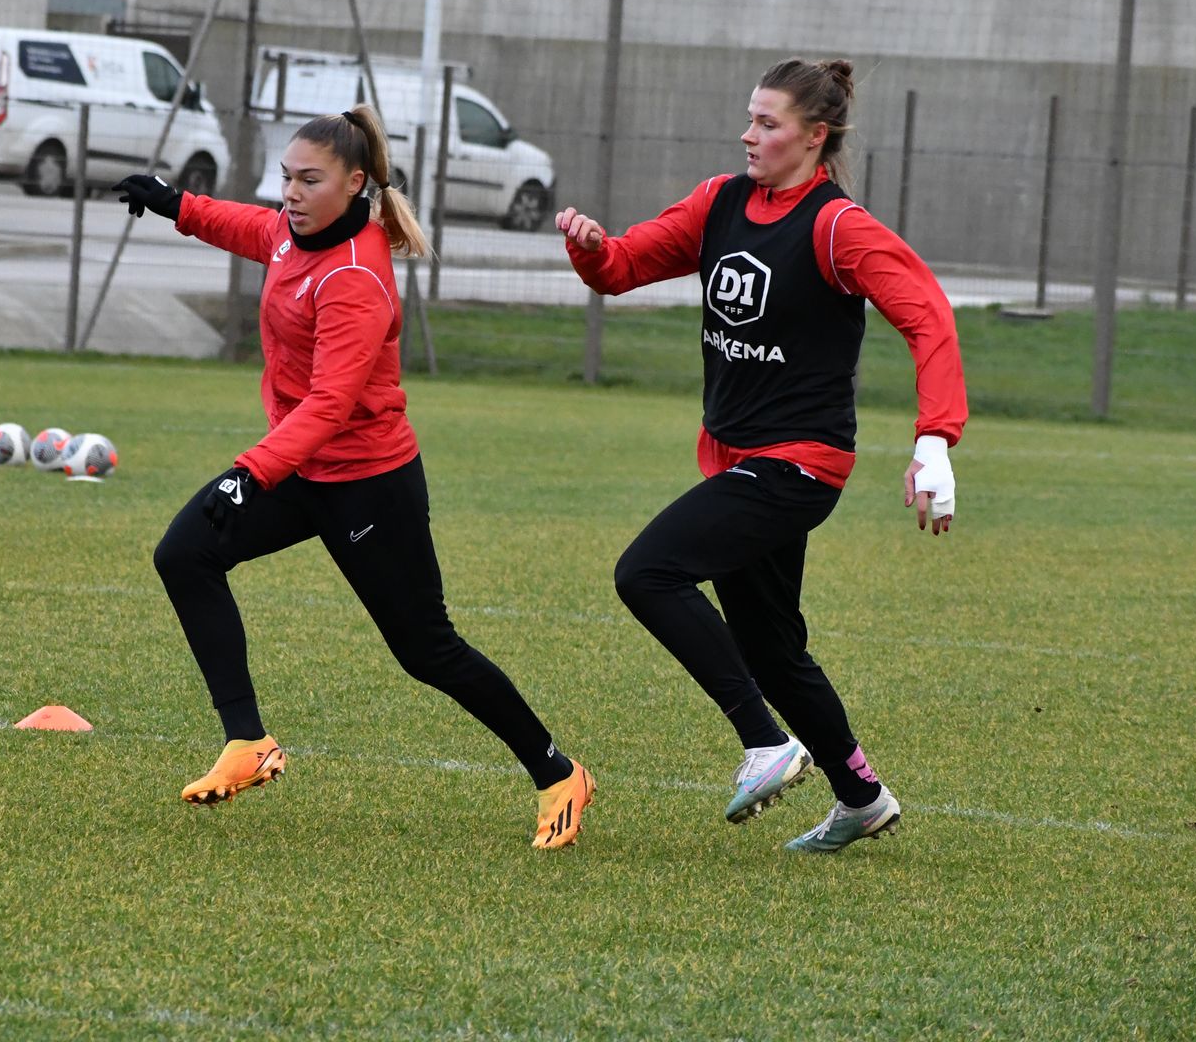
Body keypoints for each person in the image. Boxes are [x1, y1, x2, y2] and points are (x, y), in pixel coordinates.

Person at [115, 104, 595, 848]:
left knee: (427, 650)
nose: (291, 193)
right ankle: (247, 740)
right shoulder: (291, 232)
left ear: (355, 184)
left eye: (310, 181)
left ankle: (558, 772)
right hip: (300, 465)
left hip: (369, 482)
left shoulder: (355, 276)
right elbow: (250, 227)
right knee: (185, 554)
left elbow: (332, 403)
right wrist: (175, 203)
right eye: (287, 177)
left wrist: (251, 471)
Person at [555, 57, 965, 852]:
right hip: (737, 458)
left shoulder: (837, 228)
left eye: (768, 123)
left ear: (815, 137)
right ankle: (861, 796)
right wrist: (593, 247)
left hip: (799, 463)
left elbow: (928, 314)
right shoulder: (720, 203)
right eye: (749, 118)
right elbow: (624, 267)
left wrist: (933, 441)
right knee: (772, 649)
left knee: (648, 573)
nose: (749, 134)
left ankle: (765, 742)